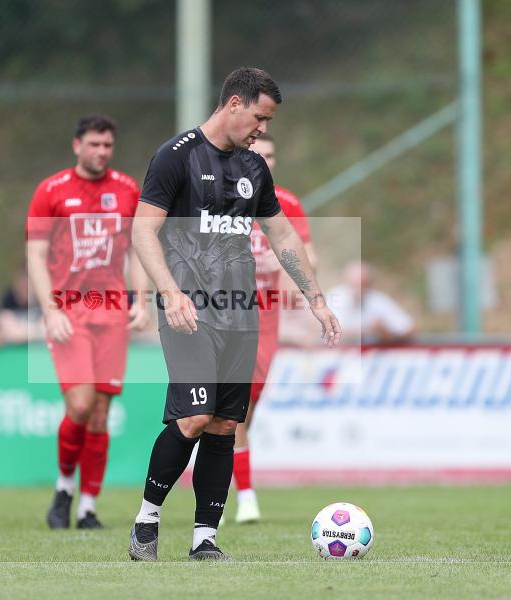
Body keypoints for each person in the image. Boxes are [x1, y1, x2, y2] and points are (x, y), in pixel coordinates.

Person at [128, 67, 341, 561]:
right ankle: (147, 520)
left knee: (226, 423)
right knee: (195, 416)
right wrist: (169, 291)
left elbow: (283, 235)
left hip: (240, 314)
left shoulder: (253, 168)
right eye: (260, 118)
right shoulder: (175, 157)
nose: (263, 129)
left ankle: (205, 539)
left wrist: (315, 298)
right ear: (234, 105)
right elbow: (142, 232)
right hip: (189, 312)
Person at [26, 114, 149, 530]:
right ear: (76, 145)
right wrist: (50, 309)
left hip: (111, 312)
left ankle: (87, 507)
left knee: (100, 414)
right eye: (94, 144)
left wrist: (142, 300)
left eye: (107, 146)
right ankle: (64, 487)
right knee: (78, 405)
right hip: (69, 312)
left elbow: (138, 248)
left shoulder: (127, 189)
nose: (101, 152)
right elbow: (35, 256)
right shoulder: (51, 191)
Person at [229, 134, 315, 524]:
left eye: (271, 155)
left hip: (267, 317)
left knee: (248, 409)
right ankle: (246, 497)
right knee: (235, 409)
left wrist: (299, 281)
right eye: (258, 154)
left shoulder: (287, 203)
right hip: (228, 314)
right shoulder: (224, 197)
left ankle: (226, 465)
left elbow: (304, 252)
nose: (266, 160)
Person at [327, 260, 415, 343]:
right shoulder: (334, 297)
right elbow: (322, 331)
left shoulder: (378, 300)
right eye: (354, 284)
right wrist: (366, 331)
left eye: (362, 284)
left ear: (369, 284)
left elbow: (409, 329)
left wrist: (386, 333)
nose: (358, 289)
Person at [0, 263, 44, 343]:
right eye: (22, 284)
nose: (24, 287)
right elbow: (6, 328)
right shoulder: (7, 299)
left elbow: (47, 329)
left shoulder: (43, 298)